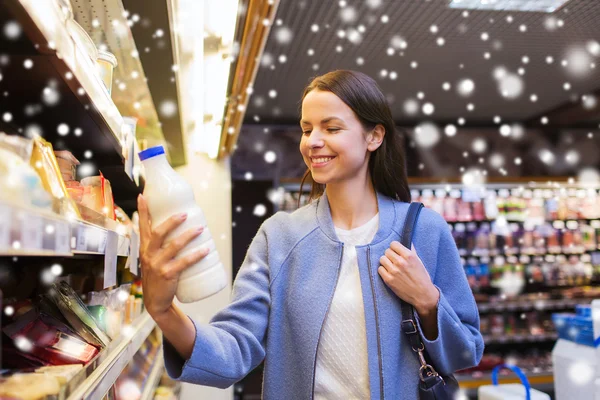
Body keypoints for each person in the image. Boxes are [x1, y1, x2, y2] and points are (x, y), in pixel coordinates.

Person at [137, 70, 484, 399]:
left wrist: (427, 300)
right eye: (306, 129)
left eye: (331, 128)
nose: (313, 142)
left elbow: (465, 351)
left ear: (374, 136)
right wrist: (164, 311)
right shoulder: (279, 238)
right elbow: (234, 351)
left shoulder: (425, 230)